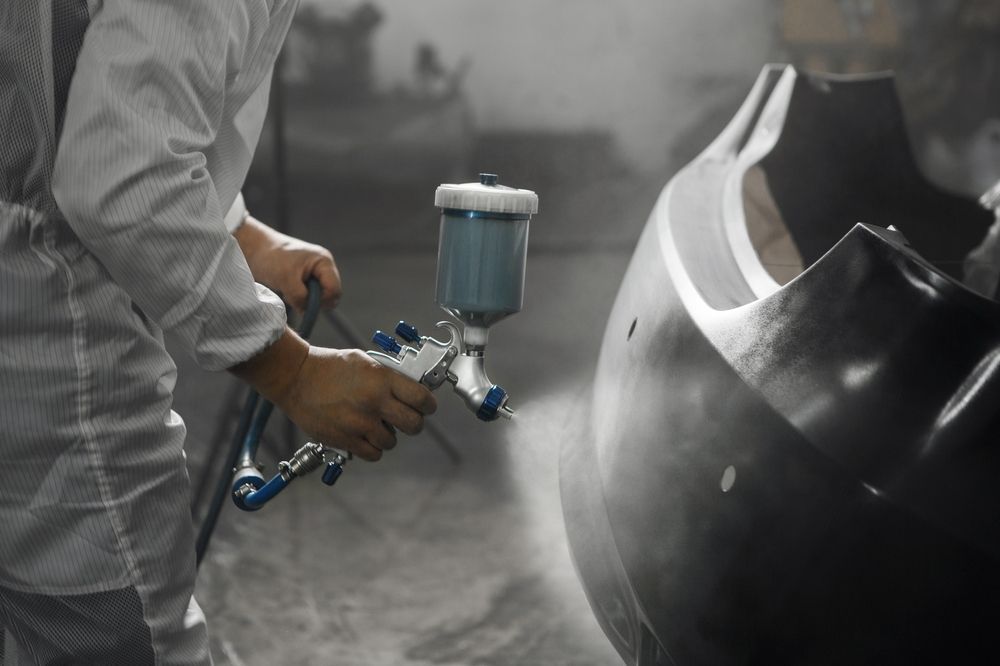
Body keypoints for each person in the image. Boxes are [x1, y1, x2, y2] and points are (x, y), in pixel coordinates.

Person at [0, 0, 436, 663]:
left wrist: (234, 230)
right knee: (112, 633)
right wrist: (289, 369)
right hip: (37, 314)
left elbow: (77, 61)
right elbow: (118, 174)